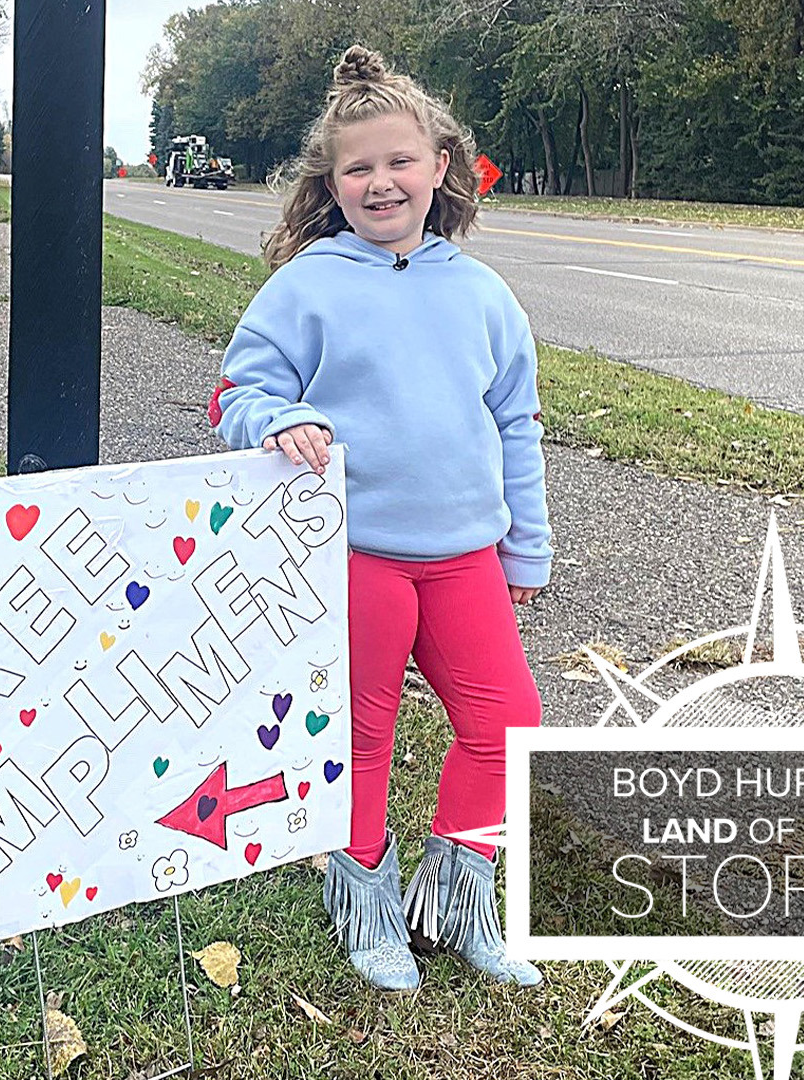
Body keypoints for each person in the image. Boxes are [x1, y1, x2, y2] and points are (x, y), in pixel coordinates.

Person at [208, 45, 549, 992]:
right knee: (363, 733)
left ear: (442, 166)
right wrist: (282, 418)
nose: (380, 181)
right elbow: (239, 390)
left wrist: (527, 542)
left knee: (507, 723)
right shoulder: (310, 283)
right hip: (355, 553)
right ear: (332, 181)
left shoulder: (482, 293)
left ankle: (457, 899)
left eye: (400, 161)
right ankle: (366, 905)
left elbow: (515, 420)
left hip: (466, 557)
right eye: (357, 166)